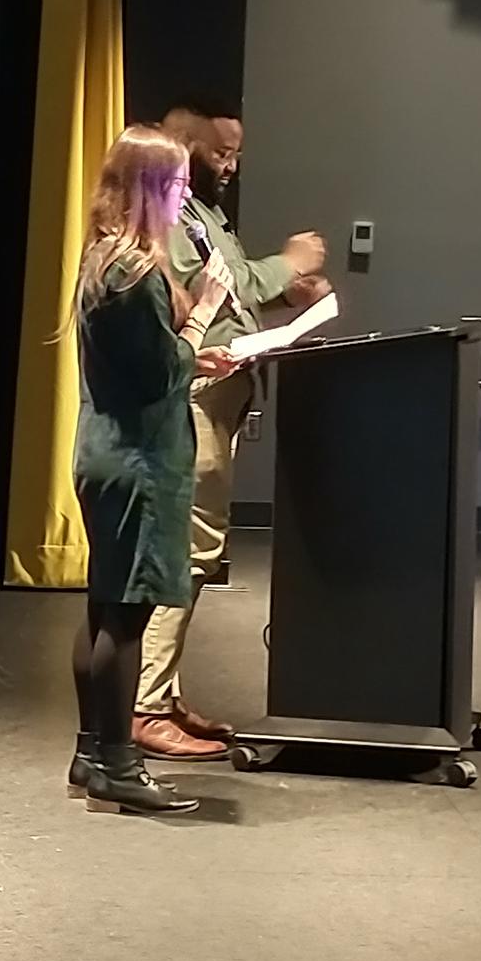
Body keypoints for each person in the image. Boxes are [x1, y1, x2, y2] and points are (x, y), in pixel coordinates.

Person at [133, 98, 331, 761]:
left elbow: (233, 296)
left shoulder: (207, 212)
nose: (231, 166)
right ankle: (146, 704)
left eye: (236, 154)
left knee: (195, 550)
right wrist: (291, 261)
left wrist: (280, 297)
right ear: (180, 142)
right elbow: (223, 281)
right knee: (183, 552)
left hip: (219, 396)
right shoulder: (167, 214)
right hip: (192, 399)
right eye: (220, 153)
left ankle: (164, 693)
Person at [68, 124, 240, 815]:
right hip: (139, 461)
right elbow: (157, 369)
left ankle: (91, 753)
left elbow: (142, 361)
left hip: (108, 452)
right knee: (128, 618)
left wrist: (191, 354)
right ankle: (119, 764)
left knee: (103, 607)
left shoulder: (105, 259)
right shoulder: (134, 271)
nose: (185, 195)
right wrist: (201, 320)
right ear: (147, 190)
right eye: (174, 185)